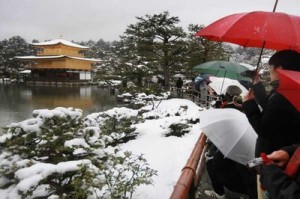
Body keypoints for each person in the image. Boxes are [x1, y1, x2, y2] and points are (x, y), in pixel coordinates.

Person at [242, 49, 300, 198]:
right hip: (288, 156)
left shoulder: (282, 96)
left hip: (275, 163)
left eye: (270, 69)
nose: (270, 73)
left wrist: (248, 105)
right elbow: (269, 104)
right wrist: (257, 82)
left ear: (279, 69)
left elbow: (263, 128)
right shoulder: (292, 91)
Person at [204, 85, 257, 199]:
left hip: (239, 180)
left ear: (228, 94)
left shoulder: (229, 107)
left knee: (211, 164)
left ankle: (219, 193)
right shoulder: (247, 109)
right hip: (247, 149)